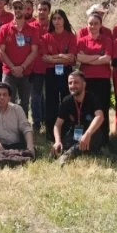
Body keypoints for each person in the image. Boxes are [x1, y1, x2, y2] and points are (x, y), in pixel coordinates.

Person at [50, 70, 106, 164]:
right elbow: (57, 125)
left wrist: (87, 134)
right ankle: (81, 150)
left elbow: (100, 116)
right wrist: (57, 141)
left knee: (94, 135)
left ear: (84, 84)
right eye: (70, 83)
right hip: (76, 133)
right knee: (57, 150)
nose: (72, 86)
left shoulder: (92, 98)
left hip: (92, 133)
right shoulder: (67, 100)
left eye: (76, 82)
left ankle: (69, 155)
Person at [0, 0, 39, 116]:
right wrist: (13, 68)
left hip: (25, 72)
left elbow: (34, 51)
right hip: (9, 73)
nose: (18, 10)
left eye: (21, 7)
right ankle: (7, 126)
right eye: (15, 7)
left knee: (24, 104)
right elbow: (0, 51)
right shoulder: (4, 28)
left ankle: (22, 126)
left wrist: (22, 67)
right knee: (7, 102)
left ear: (25, 9)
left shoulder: (33, 30)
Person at [76, 12, 113, 145]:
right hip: (86, 80)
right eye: (90, 24)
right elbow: (79, 58)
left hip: (102, 80)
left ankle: (103, 139)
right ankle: (87, 138)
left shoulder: (107, 40)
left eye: (96, 23)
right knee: (87, 109)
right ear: (87, 25)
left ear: (100, 25)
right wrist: (97, 56)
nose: (93, 26)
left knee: (102, 108)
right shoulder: (82, 40)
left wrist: (88, 59)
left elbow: (106, 59)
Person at [42, 9, 76, 142]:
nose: (57, 21)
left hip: (66, 72)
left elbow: (71, 57)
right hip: (51, 73)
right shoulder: (46, 37)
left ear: (64, 20)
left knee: (66, 99)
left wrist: (53, 58)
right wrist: (62, 56)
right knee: (51, 101)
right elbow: (45, 58)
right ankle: (51, 133)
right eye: (54, 18)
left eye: (59, 18)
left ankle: (66, 130)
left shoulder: (71, 36)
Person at [0, 82, 35, 158]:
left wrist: (30, 147)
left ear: (9, 97)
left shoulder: (18, 109)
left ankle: (10, 156)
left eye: (5, 94)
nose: (2, 97)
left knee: (26, 151)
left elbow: (26, 128)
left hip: (16, 145)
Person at [29, 0, 51, 131]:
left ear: (49, 11)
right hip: (35, 67)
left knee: (49, 96)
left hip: (50, 66)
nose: (42, 12)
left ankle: (48, 121)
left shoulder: (53, 26)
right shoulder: (30, 26)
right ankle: (36, 123)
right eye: (40, 9)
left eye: (44, 10)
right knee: (35, 97)